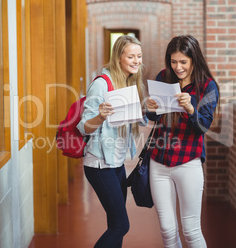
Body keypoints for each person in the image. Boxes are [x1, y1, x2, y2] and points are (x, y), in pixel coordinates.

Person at [145, 35, 220, 248]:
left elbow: (203, 127)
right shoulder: (163, 77)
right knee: (167, 230)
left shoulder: (207, 86)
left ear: (194, 59)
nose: (178, 67)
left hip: (188, 162)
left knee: (191, 230)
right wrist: (150, 109)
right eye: (173, 61)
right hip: (159, 161)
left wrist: (190, 109)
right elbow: (154, 118)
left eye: (183, 62)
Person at [77, 35, 147, 248]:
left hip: (117, 165)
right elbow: (83, 127)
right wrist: (100, 116)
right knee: (120, 225)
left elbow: (131, 120)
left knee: (114, 224)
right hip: (99, 165)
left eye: (139, 56)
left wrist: (146, 109)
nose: (136, 61)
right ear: (118, 58)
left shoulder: (127, 82)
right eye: (131, 56)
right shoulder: (101, 84)